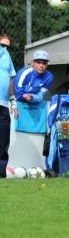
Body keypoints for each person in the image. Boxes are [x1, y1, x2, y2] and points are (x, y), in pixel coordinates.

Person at [0, 32, 17, 178]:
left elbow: (11, 80)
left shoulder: (7, 56)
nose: (5, 49)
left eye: (7, 46)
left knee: (3, 140)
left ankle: (1, 174)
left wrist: (13, 102)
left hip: (4, 105)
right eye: (2, 45)